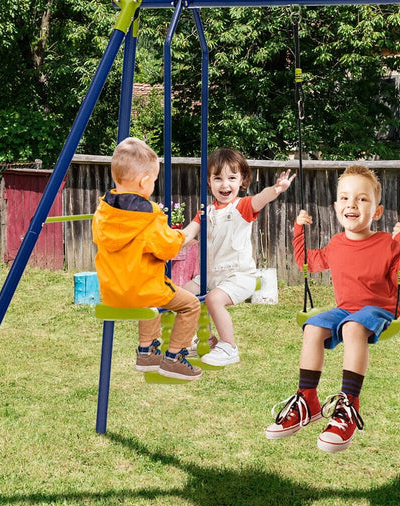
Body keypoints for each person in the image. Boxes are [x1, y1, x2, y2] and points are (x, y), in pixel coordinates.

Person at [265, 164, 400, 453]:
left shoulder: (388, 243)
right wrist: (299, 230)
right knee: (312, 326)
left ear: (376, 211)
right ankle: (307, 399)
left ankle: (348, 405)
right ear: (336, 206)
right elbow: (306, 264)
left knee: (351, 327)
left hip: (379, 310)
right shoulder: (336, 244)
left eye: (362, 199)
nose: (352, 204)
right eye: (346, 198)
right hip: (345, 309)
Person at [92, 137, 202, 381]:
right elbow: (169, 248)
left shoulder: (103, 211)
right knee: (190, 304)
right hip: (142, 290)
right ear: (144, 181)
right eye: (153, 180)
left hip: (111, 292)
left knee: (149, 302)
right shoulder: (149, 217)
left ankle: (147, 352)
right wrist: (188, 230)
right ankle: (174, 358)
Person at [182, 147, 295, 367]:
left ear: (242, 180)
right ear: (209, 181)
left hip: (239, 276)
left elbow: (260, 199)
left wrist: (276, 190)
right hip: (210, 276)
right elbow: (187, 234)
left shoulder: (241, 206)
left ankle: (229, 346)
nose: (225, 185)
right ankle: (206, 339)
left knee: (214, 299)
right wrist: (165, 241)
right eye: (218, 178)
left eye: (232, 178)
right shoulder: (205, 211)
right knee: (186, 295)